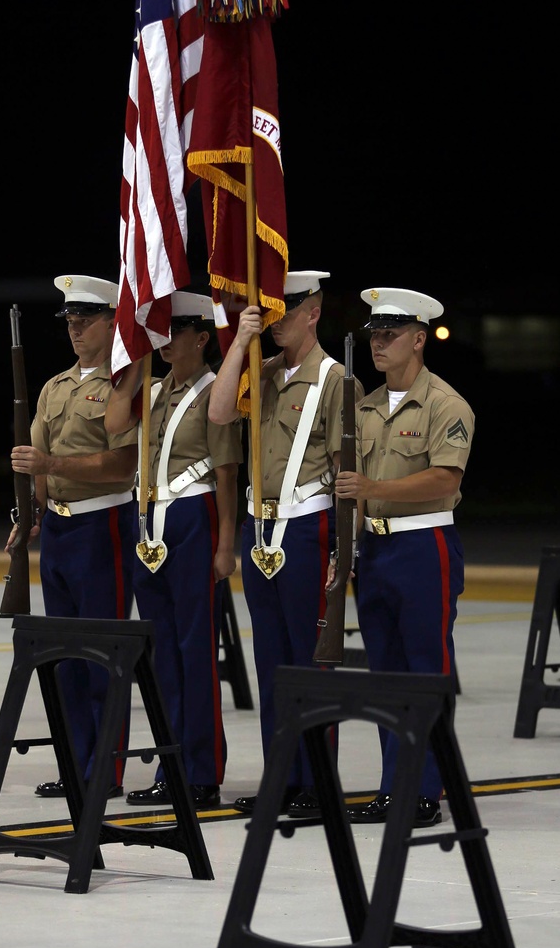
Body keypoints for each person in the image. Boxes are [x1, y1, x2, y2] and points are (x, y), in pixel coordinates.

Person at [208, 270, 361, 816]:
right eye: (270, 310)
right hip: (260, 528)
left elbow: (347, 474)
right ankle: (283, 778)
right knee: (272, 662)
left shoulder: (336, 380)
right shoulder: (262, 372)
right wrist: (243, 341)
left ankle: (317, 783)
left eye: (286, 310)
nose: (276, 320)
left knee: (309, 662)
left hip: (308, 526)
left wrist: (345, 553)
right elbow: (219, 411)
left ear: (314, 312)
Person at [333, 286, 474, 829]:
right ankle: (394, 787)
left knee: (425, 669)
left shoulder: (445, 404)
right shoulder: (365, 406)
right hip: (376, 546)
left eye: (390, 335)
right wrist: (346, 544)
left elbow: (445, 476)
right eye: (375, 334)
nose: (379, 344)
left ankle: (425, 788)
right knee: (386, 674)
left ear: (419, 339)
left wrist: (371, 485)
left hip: (423, 545)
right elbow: (350, 490)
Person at [105, 291, 242, 811]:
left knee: (195, 649)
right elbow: (116, 425)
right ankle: (170, 763)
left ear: (202, 338)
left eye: (174, 332)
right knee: (162, 655)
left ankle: (202, 772)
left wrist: (226, 544)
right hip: (152, 523)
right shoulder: (157, 390)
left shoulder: (214, 394)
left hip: (194, 518)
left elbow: (227, 473)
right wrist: (137, 360)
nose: (164, 340)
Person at [9, 275, 138, 800]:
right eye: (70, 320)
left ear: (113, 321)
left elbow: (123, 467)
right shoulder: (54, 386)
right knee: (63, 658)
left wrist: (50, 463)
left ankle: (103, 770)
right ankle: (73, 762)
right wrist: (32, 509)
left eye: (86, 319)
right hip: (61, 527)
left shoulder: (122, 385)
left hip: (101, 522)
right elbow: (34, 456)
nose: (76, 329)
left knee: (102, 654)